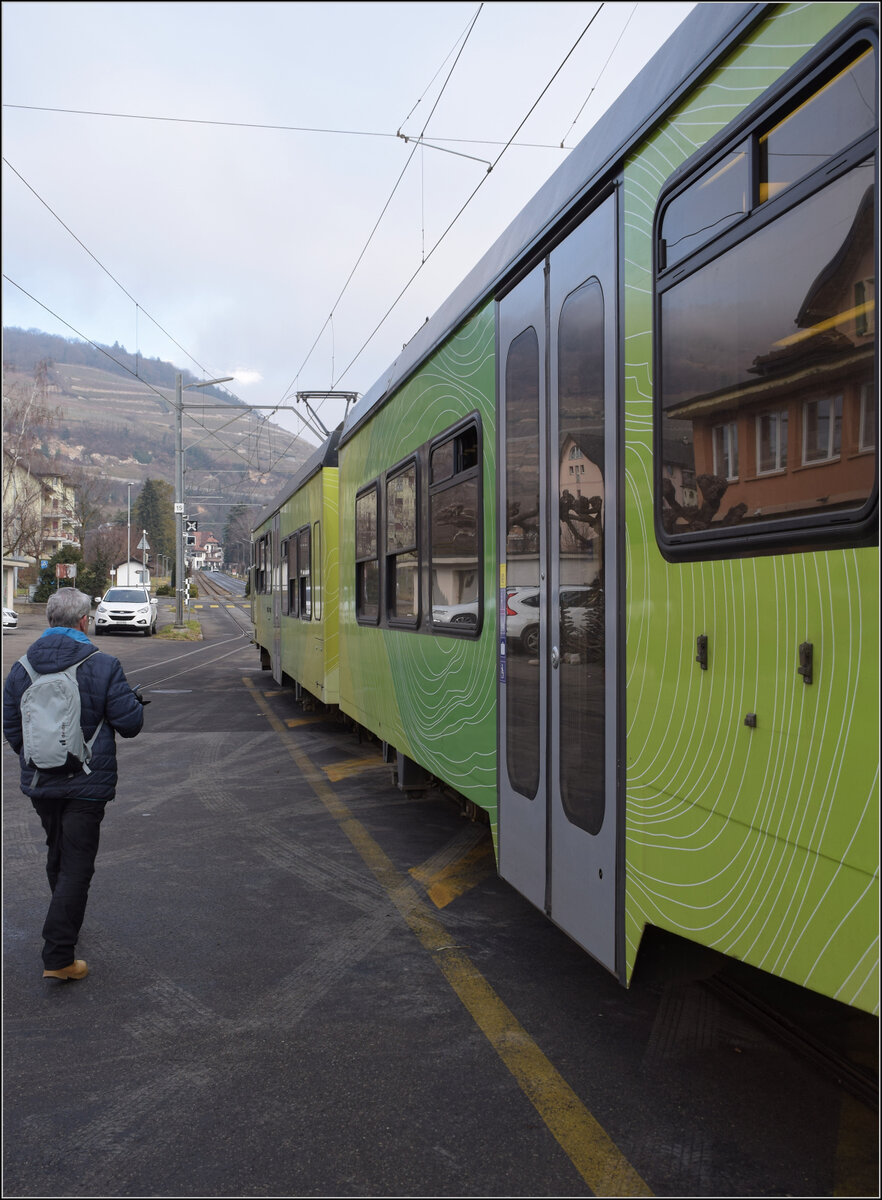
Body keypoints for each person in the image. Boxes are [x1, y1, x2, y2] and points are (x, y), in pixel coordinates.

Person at [3, 587, 146, 980]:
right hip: (87, 783)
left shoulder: (21, 668)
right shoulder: (103, 664)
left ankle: (64, 924)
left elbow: (13, 730)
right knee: (77, 864)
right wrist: (131, 703)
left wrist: (41, 759)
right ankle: (59, 957)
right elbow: (130, 725)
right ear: (85, 621)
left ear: (50, 620)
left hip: (41, 780)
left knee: (58, 854)